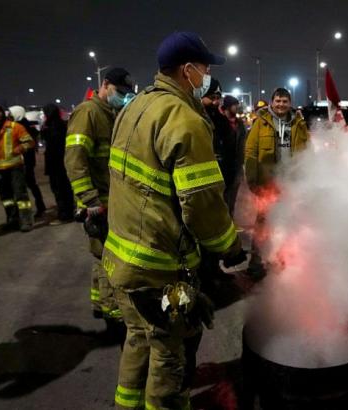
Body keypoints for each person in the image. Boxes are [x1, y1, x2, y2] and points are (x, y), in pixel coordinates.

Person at [102, 31, 246, 410]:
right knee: (170, 354)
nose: (208, 75)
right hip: (160, 273)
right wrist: (228, 244)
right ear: (188, 71)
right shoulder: (185, 119)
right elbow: (201, 204)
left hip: (122, 262)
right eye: (205, 68)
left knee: (137, 340)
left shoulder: (134, 107)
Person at [65, 67, 134, 322]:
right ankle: (112, 309)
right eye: (120, 91)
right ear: (105, 84)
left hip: (110, 198)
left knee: (100, 254)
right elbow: (75, 159)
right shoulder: (88, 112)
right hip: (98, 201)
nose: (123, 97)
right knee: (110, 256)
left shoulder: (111, 113)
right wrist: (88, 199)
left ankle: (99, 301)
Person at [244, 87, 310, 278]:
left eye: (285, 101)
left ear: (290, 103)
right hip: (268, 182)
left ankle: (283, 259)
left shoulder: (298, 123)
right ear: (272, 102)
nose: (281, 104)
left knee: (288, 221)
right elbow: (250, 153)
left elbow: (306, 153)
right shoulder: (261, 123)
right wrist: (252, 180)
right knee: (263, 223)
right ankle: (256, 263)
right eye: (278, 101)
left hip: (290, 182)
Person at [0, 104, 35, 231]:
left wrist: (20, 148)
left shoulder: (15, 127)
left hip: (15, 167)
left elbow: (30, 142)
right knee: (6, 197)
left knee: (20, 195)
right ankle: (12, 220)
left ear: (4, 113)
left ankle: (26, 220)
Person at [9, 105, 47, 217]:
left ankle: (33, 209)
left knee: (25, 186)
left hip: (24, 160)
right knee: (31, 184)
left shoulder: (20, 127)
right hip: (26, 160)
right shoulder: (26, 125)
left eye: (11, 115)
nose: (9, 117)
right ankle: (40, 206)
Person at [41, 104, 73, 224]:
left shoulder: (52, 127)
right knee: (65, 188)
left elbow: (52, 145)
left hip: (56, 164)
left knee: (59, 189)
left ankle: (64, 214)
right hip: (61, 163)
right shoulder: (62, 125)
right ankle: (67, 211)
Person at [221, 95, 247, 216]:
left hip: (237, 164)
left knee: (234, 194)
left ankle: (230, 218)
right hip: (223, 164)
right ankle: (224, 220)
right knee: (223, 194)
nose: (237, 107)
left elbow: (243, 142)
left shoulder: (240, 123)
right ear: (227, 107)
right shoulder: (219, 122)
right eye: (234, 105)